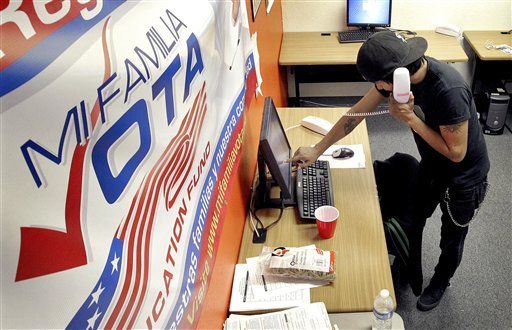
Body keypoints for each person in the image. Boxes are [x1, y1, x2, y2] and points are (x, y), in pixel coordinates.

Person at [289, 31, 490, 311]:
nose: (375, 87)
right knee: (412, 217)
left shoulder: (449, 90)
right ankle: (409, 268)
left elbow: (457, 153)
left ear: (389, 78)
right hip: (432, 165)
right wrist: (317, 149)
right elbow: (355, 115)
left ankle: (442, 280)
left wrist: (409, 118)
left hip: (464, 178)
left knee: (452, 237)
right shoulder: (398, 78)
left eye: (375, 82)